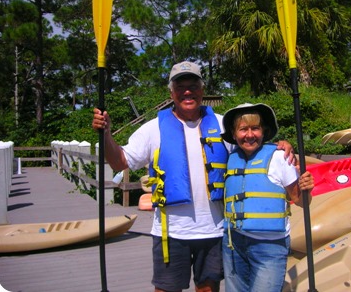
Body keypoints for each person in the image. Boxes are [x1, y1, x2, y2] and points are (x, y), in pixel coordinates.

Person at [92, 61, 295, 292]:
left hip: (215, 231)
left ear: (202, 90)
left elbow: (253, 146)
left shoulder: (222, 125)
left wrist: (282, 145)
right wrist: (106, 134)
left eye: (193, 85)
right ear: (171, 92)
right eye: (180, 86)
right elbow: (119, 161)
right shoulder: (152, 129)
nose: (187, 91)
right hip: (170, 232)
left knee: (207, 289)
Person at [220, 103, 314, 292]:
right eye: (243, 129)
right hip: (234, 243)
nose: (249, 135)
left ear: (263, 131)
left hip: (270, 246)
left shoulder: (280, 157)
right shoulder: (230, 156)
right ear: (233, 132)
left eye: (255, 128)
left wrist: (307, 189)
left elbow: (302, 202)